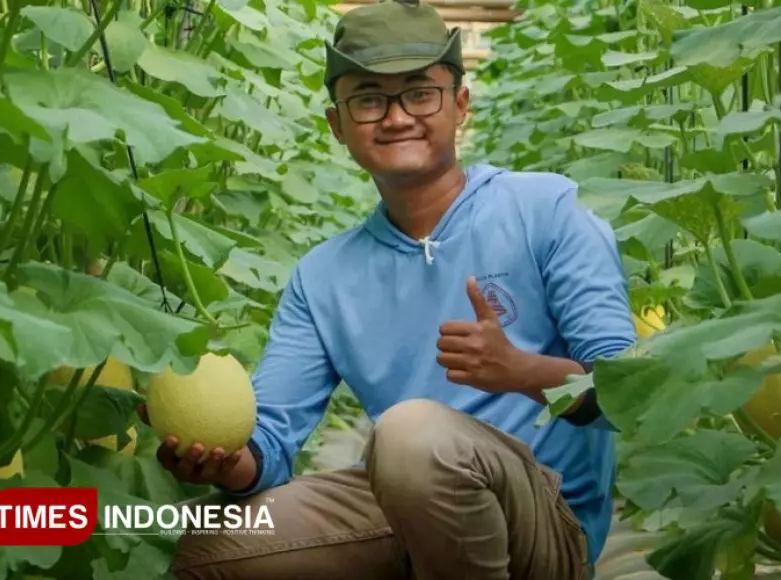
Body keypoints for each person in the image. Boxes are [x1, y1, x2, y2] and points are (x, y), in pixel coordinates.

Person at [137, 0, 637, 578]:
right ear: (338, 125)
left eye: (420, 93)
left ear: (461, 106)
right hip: (407, 503)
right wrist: (223, 461)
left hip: (547, 526)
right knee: (217, 546)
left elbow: (625, 394)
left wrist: (522, 372)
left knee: (409, 433)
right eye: (369, 99)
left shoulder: (546, 210)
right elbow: (268, 448)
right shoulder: (324, 276)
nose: (397, 117)